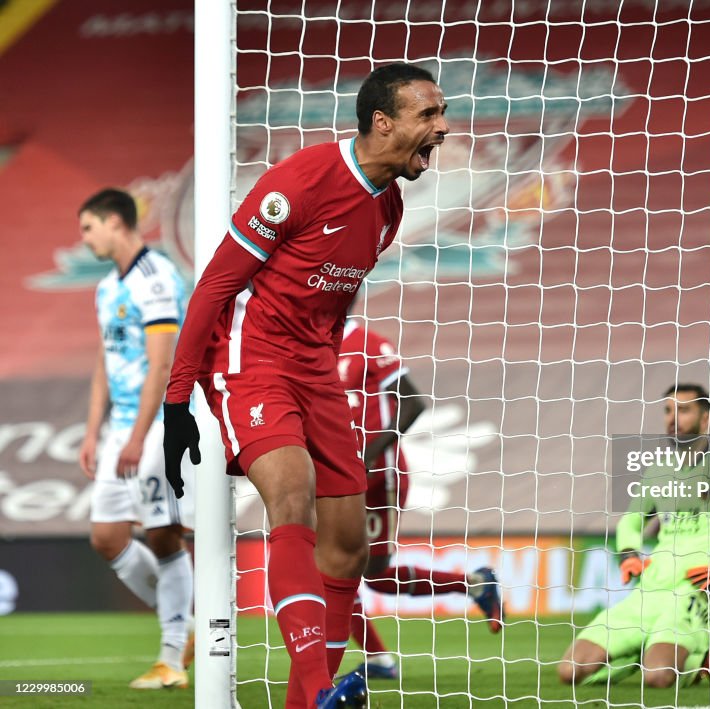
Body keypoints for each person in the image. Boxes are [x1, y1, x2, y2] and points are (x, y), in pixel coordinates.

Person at [161, 63, 449, 709]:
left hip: (316, 369)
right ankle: (321, 692)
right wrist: (179, 400)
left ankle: (303, 703)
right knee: (291, 501)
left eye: (441, 114)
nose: (443, 127)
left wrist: (323, 364)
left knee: (348, 546)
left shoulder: (389, 207)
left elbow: (336, 301)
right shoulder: (299, 181)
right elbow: (214, 285)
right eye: (428, 115)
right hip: (252, 358)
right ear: (383, 122)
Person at [558, 383, 710, 689]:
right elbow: (630, 523)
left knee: (659, 677)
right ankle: (645, 651)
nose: (673, 418)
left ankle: (698, 657)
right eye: (668, 410)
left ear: (705, 419)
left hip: (693, 597)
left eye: (684, 410)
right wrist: (629, 555)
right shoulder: (658, 472)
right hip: (646, 594)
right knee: (571, 671)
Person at [335, 318, 504, 681]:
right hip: (336, 476)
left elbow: (412, 403)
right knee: (347, 572)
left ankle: (378, 658)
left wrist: (368, 455)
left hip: (380, 476)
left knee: (356, 572)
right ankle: (473, 585)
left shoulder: (368, 342)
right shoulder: (312, 344)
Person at [77, 188, 195, 689]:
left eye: (87, 227)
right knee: (106, 537)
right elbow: (106, 360)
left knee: (164, 533)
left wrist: (141, 435)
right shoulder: (107, 288)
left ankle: (172, 656)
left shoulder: (156, 279)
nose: (84, 238)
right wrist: (93, 430)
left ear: (114, 222)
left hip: (163, 420)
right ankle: (181, 623)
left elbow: (162, 363)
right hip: (120, 427)